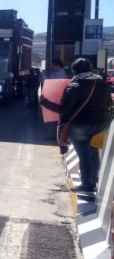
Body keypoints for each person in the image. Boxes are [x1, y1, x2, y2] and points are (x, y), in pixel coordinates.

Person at [40, 58, 113, 194]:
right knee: (93, 152)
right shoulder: (102, 84)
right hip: (100, 124)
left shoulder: (74, 86)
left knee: (84, 155)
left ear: (74, 70)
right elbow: (109, 104)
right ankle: (95, 178)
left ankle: (87, 185)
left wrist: (46, 103)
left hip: (80, 125)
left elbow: (64, 109)